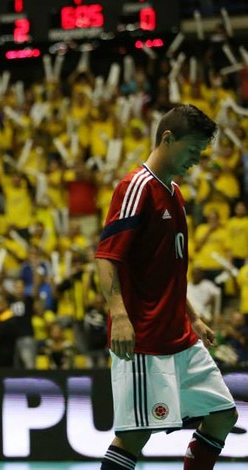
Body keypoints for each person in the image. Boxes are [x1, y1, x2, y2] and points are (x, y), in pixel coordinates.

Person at [95, 104, 238, 470]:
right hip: (143, 338)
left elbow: (170, 270)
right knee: (133, 437)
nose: (196, 160)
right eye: (193, 150)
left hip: (179, 335)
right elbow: (107, 257)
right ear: (168, 139)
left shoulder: (174, 193)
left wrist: (192, 317)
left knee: (223, 415)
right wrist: (120, 318)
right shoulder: (135, 187)